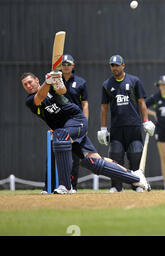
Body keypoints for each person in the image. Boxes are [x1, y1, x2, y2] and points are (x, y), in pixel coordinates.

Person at [21, 72, 150, 194]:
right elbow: (39, 98)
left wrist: (56, 82)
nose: (28, 86)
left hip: (76, 119)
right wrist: (48, 81)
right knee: (93, 161)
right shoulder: (30, 100)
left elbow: (62, 91)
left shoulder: (49, 87)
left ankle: (65, 186)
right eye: (25, 84)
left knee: (60, 135)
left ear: (36, 80)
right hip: (66, 130)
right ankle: (135, 177)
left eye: (30, 82)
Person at [98, 55, 155, 193]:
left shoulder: (134, 81)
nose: (115, 68)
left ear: (123, 65)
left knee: (135, 155)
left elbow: (142, 102)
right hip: (117, 128)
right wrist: (103, 128)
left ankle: (137, 185)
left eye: (117, 65)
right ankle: (116, 187)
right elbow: (104, 107)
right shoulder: (107, 85)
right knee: (115, 156)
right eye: (112, 65)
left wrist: (146, 121)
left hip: (133, 126)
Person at [60, 54, 88, 192]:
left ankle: (73, 186)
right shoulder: (54, 81)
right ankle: (57, 185)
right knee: (57, 153)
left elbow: (85, 105)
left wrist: (85, 124)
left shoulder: (81, 82)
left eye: (68, 64)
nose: (66, 66)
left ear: (73, 66)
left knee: (75, 155)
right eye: (63, 64)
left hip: (76, 123)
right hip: (59, 121)